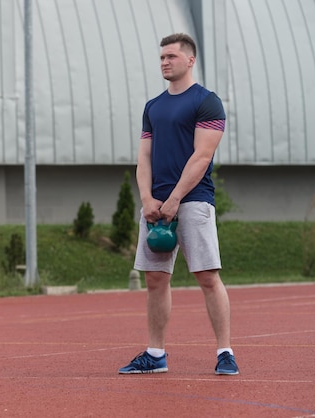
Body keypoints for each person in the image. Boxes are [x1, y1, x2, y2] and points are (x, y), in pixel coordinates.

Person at [118, 33, 239, 375]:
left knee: (207, 276)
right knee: (156, 280)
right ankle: (155, 355)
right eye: (161, 58)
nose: (164, 62)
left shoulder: (207, 102)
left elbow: (202, 156)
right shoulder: (153, 107)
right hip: (155, 205)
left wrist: (174, 200)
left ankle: (225, 352)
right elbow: (143, 158)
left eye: (171, 56)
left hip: (193, 201)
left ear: (190, 60)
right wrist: (147, 199)